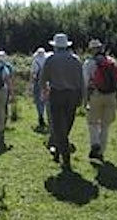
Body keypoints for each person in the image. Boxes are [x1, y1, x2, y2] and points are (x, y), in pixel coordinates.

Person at [39, 33, 84, 170]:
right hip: (73, 96)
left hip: (57, 95)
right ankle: (59, 150)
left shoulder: (50, 59)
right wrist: (81, 98)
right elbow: (81, 82)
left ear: (55, 47)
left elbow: (42, 80)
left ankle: (65, 158)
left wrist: (44, 92)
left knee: (59, 127)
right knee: (67, 125)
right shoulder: (76, 60)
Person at [83, 39, 117, 161]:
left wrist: (85, 100)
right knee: (105, 126)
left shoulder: (89, 63)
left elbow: (85, 83)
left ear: (91, 50)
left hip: (95, 95)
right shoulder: (112, 62)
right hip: (111, 96)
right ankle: (100, 152)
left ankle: (95, 143)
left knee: (92, 122)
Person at [31, 47, 49, 130]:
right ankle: (48, 117)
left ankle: (40, 115)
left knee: (38, 100)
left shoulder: (35, 61)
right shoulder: (47, 60)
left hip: (38, 82)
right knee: (47, 100)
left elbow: (33, 73)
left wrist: (31, 83)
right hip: (47, 82)